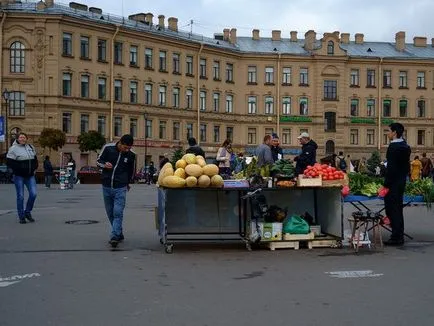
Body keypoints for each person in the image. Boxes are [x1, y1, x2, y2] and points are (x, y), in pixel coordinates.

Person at [97, 134, 136, 247]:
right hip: (106, 185)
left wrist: (128, 182)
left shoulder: (131, 155)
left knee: (117, 212)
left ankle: (114, 236)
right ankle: (119, 232)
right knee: (110, 212)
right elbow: (98, 161)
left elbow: (130, 171)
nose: (127, 150)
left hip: (120, 187)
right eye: (125, 147)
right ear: (120, 143)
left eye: (129, 148)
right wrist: (105, 165)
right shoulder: (108, 148)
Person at [383, 122, 411, 246]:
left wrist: (386, 184)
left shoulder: (393, 148)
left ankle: (396, 236)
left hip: (393, 183)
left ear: (394, 133)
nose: (387, 133)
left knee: (392, 208)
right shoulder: (405, 146)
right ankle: (399, 233)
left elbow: (391, 168)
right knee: (398, 208)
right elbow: (406, 167)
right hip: (401, 181)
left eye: (389, 131)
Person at [6, 132, 38, 224]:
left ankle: (27, 212)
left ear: (26, 139)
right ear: (18, 139)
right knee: (20, 196)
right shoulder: (13, 149)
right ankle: (21, 216)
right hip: (19, 176)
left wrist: (34, 168)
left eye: (24, 137)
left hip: (30, 175)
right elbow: (9, 162)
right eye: (21, 137)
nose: (22, 139)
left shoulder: (31, 147)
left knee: (33, 194)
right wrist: (19, 169)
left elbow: (35, 160)